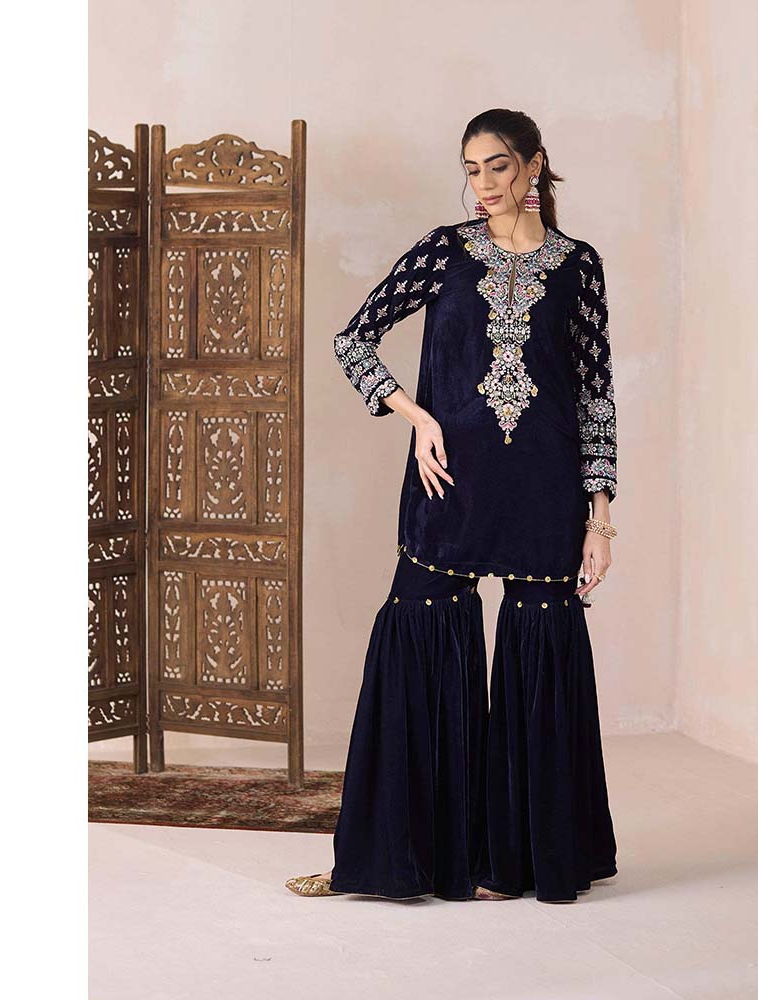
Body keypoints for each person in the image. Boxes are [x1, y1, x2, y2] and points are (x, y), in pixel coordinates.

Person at [286, 108, 618, 903]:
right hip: (452, 482)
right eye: (471, 169)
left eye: (497, 165)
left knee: (540, 655)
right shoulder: (447, 250)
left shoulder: (578, 265)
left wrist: (600, 518)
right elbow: (353, 339)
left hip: (545, 490)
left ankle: (516, 865)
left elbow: (595, 395)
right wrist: (418, 416)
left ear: (533, 164)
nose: (483, 183)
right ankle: (400, 858)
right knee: (420, 635)